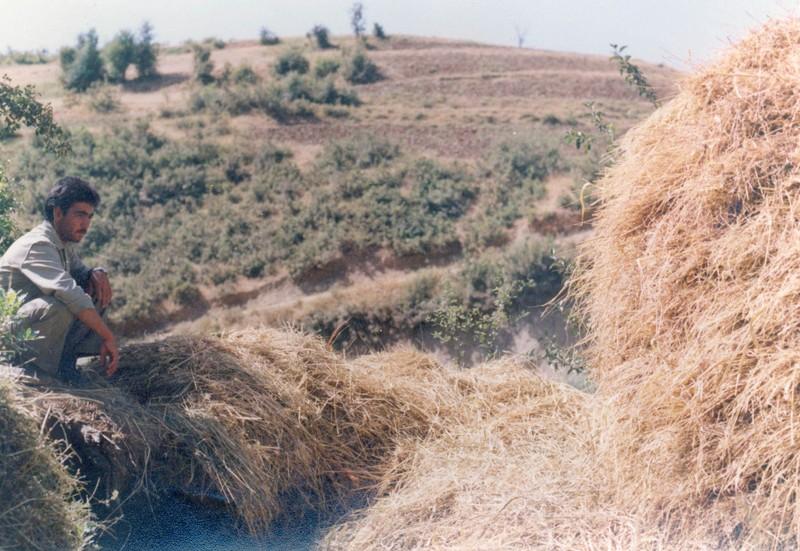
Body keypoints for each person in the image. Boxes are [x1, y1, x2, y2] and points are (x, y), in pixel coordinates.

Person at [0, 176, 119, 381]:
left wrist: (97, 272)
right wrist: (108, 337)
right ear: (57, 213)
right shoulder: (39, 245)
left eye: (90, 216)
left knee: (95, 286)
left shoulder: (62, 243)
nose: (85, 224)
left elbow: (82, 274)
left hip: (23, 329)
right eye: (80, 214)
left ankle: (66, 365)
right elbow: (70, 294)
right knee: (59, 304)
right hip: (5, 335)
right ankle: (35, 373)